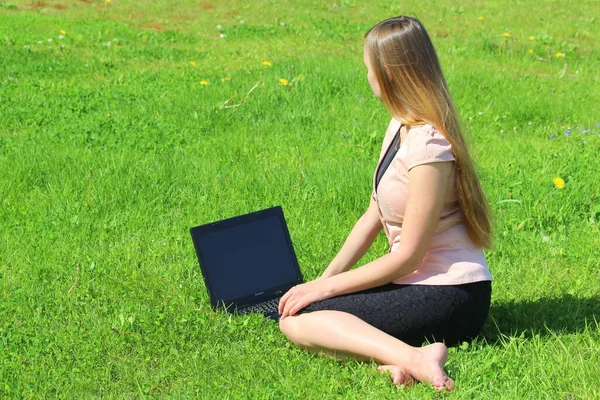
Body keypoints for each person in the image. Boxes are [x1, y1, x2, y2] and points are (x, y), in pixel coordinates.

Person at [278, 16, 493, 391]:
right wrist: (323, 282)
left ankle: (416, 358)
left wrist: (325, 292)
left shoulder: (429, 146)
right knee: (312, 312)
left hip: (451, 295)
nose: (366, 76)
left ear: (389, 72)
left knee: (298, 323)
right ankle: (394, 359)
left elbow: (408, 256)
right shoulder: (400, 125)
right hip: (414, 284)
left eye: (367, 68)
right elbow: (374, 213)